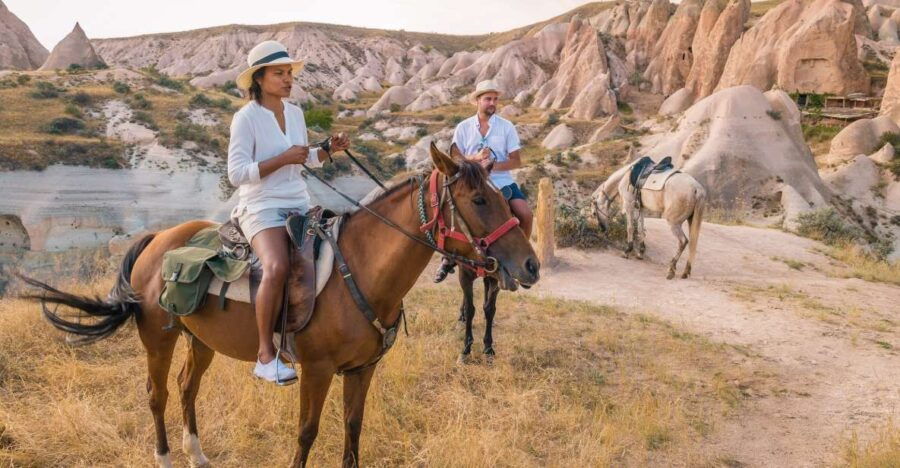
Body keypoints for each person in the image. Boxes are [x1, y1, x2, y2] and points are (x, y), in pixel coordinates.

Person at [228, 40, 349, 384]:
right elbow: (236, 174)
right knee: (277, 265)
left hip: (299, 202)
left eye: (289, 73)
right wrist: (283, 159)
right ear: (260, 78)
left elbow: (305, 158)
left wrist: (327, 149)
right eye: (279, 73)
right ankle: (265, 355)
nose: (287, 79)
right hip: (261, 206)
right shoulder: (246, 118)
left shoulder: (294, 113)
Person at [433, 79, 533, 283]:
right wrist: (476, 160)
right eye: (488, 99)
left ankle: (521, 258)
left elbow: (516, 161)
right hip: (471, 182)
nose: (492, 103)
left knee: (525, 213)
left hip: (501, 182)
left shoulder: (506, 127)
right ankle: (448, 258)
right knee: (453, 213)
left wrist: (492, 165)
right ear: (477, 101)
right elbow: (455, 156)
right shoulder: (464, 127)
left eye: (495, 99)